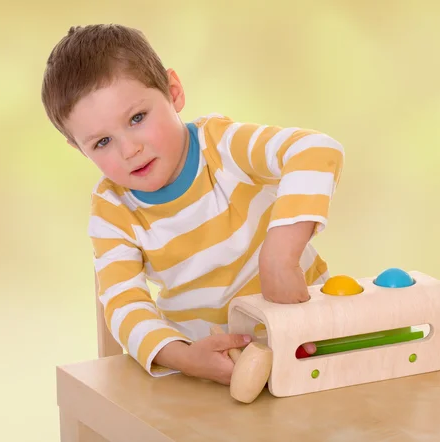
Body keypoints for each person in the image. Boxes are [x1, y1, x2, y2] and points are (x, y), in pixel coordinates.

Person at [41, 24, 345, 386]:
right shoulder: (112, 210)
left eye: (137, 118)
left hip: (313, 339)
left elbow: (315, 150)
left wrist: (280, 254)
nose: (129, 150)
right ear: (79, 148)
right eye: (102, 142)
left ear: (173, 92)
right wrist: (183, 357)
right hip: (217, 369)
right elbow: (125, 304)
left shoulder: (222, 146)